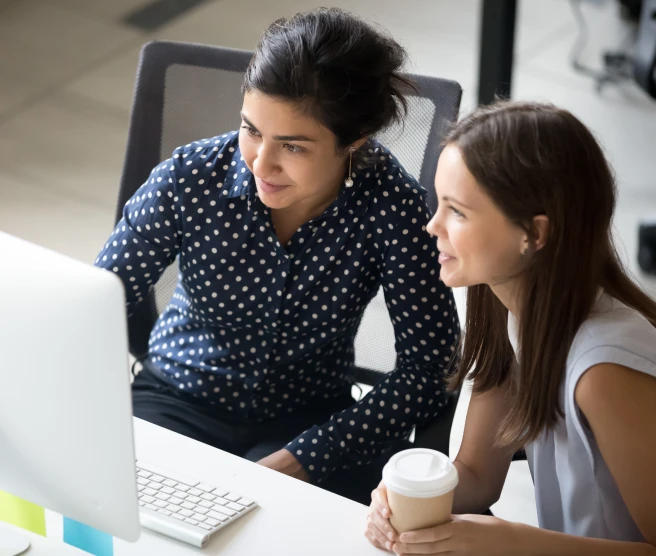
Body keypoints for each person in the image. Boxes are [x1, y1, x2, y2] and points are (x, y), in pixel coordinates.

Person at [94, 8, 460, 505]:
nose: (261, 164)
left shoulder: (391, 205)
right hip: (177, 397)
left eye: (293, 146)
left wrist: (309, 455)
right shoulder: (189, 178)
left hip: (310, 420)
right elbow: (94, 306)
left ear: (355, 140)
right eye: (251, 130)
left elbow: (431, 366)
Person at [366, 101, 656, 553]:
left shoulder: (605, 370)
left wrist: (515, 542)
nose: (431, 226)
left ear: (534, 234)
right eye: (438, 204)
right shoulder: (512, 314)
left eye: (457, 212)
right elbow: (479, 476)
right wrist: (403, 501)